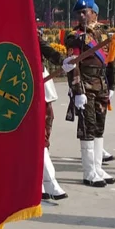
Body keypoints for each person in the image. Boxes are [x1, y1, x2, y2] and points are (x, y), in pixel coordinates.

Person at [65, 0, 115, 188]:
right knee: (87, 128)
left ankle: (97, 167)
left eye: (85, 12)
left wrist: (112, 86)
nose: (81, 16)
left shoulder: (104, 34)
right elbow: (72, 65)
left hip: (101, 86)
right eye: (79, 13)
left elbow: (110, 62)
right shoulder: (74, 37)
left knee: (99, 129)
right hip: (86, 87)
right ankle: (88, 172)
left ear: (94, 13)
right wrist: (78, 91)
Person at [39, 31, 76, 200]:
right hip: (17, 87)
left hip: (38, 83)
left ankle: (39, 182)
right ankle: (49, 181)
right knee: (36, 138)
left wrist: (62, 61)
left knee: (45, 129)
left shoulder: (27, 28)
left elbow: (45, 48)